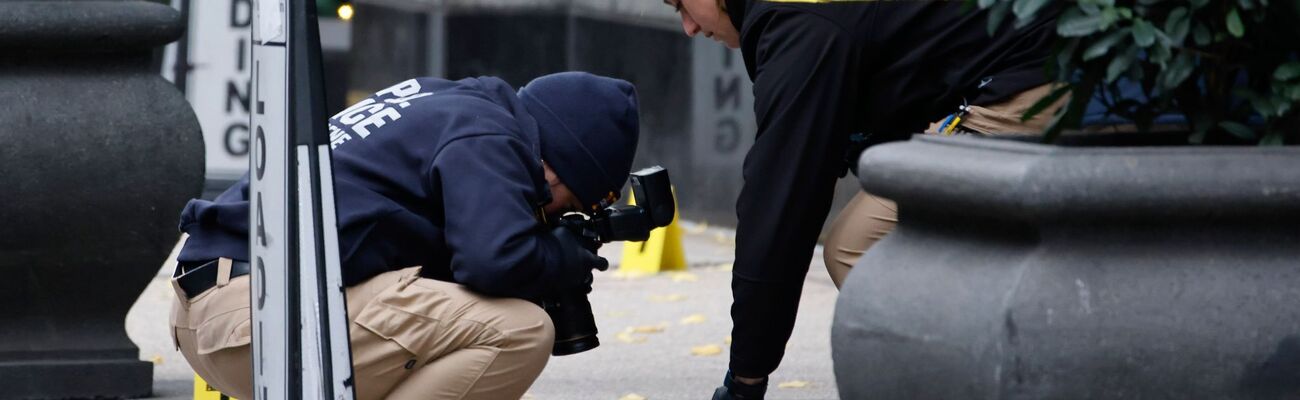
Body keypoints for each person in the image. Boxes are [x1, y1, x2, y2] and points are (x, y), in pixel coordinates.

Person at [663, 0, 1063, 398]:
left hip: (1038, 80)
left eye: (682, 4)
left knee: (861, 248)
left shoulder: (799, 24)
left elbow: (781, 203)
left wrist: (745, 379)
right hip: (1044, 60)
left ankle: (1022, 377)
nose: (688, 27)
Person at [168, 72, 639, 400]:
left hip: (222, 305)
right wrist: (557, 259)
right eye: (567, 206)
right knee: (518, 333)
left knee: (460, 345)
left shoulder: (451, 104)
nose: (549, 216)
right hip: (256, 321)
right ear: (555, 167)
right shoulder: (491, 138)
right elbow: (491, 262)